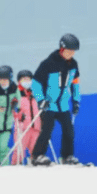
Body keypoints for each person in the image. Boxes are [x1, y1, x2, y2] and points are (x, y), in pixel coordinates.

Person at [30, 34, 81, 166]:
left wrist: (76, 100)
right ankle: (37, 156)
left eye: (73, 51)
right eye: (69, 50)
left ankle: (67, 156)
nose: (71, 53)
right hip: (49, 103)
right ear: (62, 49)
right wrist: (41, 100)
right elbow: (36, 83)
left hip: (62, 104)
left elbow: (75, 83)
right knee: (47, 129)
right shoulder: (49, 63)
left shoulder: (73, 65)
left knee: (69, 130)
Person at [11, 70, 41, 165]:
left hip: (35, 127)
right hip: (22, 127)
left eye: (28, 79)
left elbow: (41, 107)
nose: (26, 81)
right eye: (24, 79)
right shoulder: (16, 93)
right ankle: (16, 164)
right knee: (20, 148)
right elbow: (12, 110)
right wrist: (19, 115)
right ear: (19, 81)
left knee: (36, 148)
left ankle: (34, 163)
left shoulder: (36, 93)